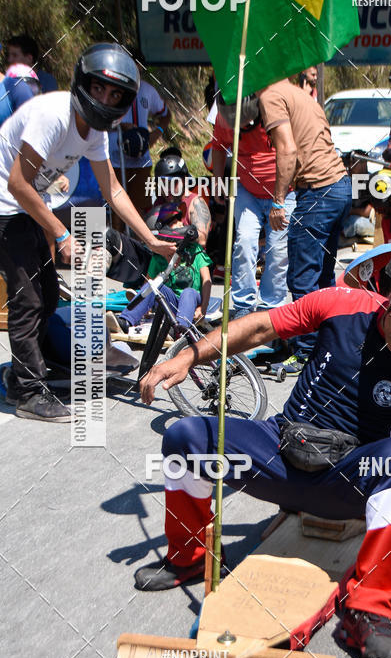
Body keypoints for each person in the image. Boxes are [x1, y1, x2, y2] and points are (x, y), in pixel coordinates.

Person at [136, 247, 391, 658]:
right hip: (279, 455)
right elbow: (261, 327)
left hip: (343, 485)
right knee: (185, 436)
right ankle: (190, 558)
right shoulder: (342, 303)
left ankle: (369, 611)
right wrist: (190, 355)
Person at [0, 42, 174, 422]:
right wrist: (62, 234)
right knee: (27, 298)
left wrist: (151, 240)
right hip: (5, 205)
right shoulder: (54, 115)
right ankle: (28, 392)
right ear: (83, 83)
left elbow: (112, 189)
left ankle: (26, 372)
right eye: (98, 88)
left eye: (115, 94)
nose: (104, 98)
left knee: (46, 295)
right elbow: (16, 183)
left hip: (26, 204)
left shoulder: (95, 131)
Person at [256, 78, 352, 372]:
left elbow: (287, 150)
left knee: (302, 277)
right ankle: (327, 344)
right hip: (340, 186)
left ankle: (307, 351)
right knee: (322, 277)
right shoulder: (302, 94)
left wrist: (278, 201)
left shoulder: (270, 95)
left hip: (319, 191)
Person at [212, 92, 295, 318]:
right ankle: (243, 304)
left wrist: (279, 200)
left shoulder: (273, 111)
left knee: (277, 250)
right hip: (247, 189)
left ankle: (271, 305)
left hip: (283, 191)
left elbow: (291, 150)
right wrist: (219, 183)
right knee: (245, 240)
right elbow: (218, 148)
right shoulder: (224, 116)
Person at [115, 202, 211, 335]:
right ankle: (126, 320)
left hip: (192, 302)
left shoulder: (195, 249)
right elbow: (148, 282)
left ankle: (180, 329)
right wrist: (143, 303)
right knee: (154, 285)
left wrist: (203, 309)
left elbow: (207, 280)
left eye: (179, 219)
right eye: (175, 221)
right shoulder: (160, 255)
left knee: (188, 292)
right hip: (171, 302)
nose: (181, 224)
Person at [108, 56, 170, 227]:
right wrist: (119, 126)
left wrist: (157, 133)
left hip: (140, 162)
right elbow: (97, 119)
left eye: (138, 67)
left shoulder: (148, 90)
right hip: (115, 160)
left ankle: (139, 249)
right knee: (116, 208)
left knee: (139, 210)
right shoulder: (111, 88)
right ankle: (117, 248)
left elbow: (165, 114)